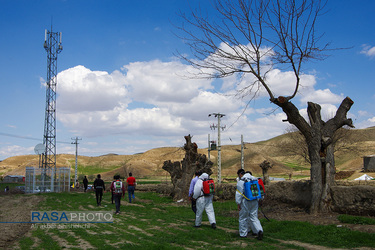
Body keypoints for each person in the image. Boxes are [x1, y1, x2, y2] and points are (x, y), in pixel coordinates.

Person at [236, 169, 263, 240]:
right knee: (254, 217)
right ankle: (259, 230)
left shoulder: (241, 181)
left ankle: (243, 234)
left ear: (240, 174)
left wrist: (238, 203)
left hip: (245, 201)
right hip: (255, 200)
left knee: (243, 218)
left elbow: (239, 194)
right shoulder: (254, 179)